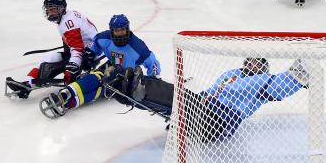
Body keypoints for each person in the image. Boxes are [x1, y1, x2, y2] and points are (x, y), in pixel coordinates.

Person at [110, 58, 310, 141]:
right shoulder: (233, 74)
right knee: (180, 95)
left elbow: (277, 87)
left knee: (178, 98)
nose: (252, 64)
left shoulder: (260, 84)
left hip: (220, 122)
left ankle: (137, 88)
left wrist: (296, 77)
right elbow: (214, 92)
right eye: (251, 61)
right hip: (207, 109)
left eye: (258, 64)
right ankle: (128, 91)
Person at [39, 14, 161, 118]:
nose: (120, 33)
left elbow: (153, 63)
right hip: (112, 66)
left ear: (127, 29)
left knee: (101, 84)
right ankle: (68, 98)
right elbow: (95, 45)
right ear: (111, 30)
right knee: (99, 82)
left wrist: (153, 81)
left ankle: (67, 96)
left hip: (127, 78)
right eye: (116, 30)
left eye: (122, 30)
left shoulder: (138, 46)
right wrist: (90, 54)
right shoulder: (104, 37)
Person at [5, 0, 99, 98]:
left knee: (51, 65)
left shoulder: (68, 22)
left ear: (62, 9)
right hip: (85, 50)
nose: (49, 13)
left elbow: (77, 48)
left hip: (89, 54)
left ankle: (29, 85)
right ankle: (27, 84)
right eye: (48, 10)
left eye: (53, 9)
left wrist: (72, 68)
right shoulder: (67, 16)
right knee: (47, 59)